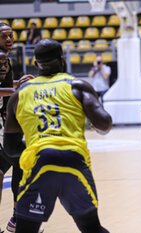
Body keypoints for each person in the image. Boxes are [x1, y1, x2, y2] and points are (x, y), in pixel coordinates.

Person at [3, 38, 112, 233]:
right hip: (74, 159)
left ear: (36, 64)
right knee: (91, 227)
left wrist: (36, 152)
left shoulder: (19, 95)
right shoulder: (77, 85)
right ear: (62, 60)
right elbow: (105, 123)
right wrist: (96, 125)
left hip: (40, 158)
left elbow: (10, 149)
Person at [0, 22, 38, 233]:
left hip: (4, 125)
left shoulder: (5, 59)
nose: (9, 39)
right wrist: (16, 89)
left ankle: (17, 219)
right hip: (3, 129)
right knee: (23, 165)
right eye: (4, 36)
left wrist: (16, 84)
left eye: (11, 35)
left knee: (18, 166)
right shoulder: (1, 58)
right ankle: (18, 219)